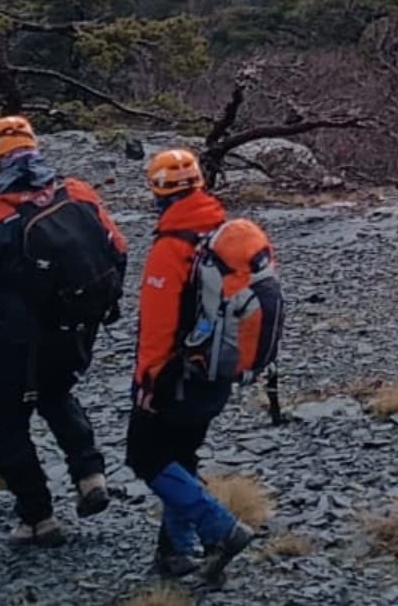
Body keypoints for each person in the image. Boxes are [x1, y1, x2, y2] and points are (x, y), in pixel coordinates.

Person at [0, 115, 127, 546]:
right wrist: (109, 306)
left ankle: (37, 517)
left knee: (8, 421)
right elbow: (118, 248)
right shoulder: (78, 191)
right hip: (78, 326)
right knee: (58, 395)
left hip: (18, 339)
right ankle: (89, 474)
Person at [126, 148, 256, 581]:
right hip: (217, 370)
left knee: (144, 456)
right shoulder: (220, 232)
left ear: (158, 190)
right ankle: (176, 554)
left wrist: (146, 380)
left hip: (176, 376)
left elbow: (158, 327)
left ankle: (220, 529)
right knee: (180, 455)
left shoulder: (172, 246)